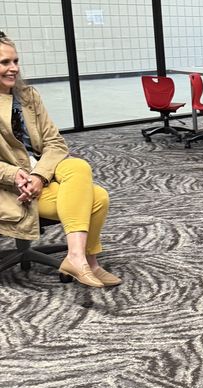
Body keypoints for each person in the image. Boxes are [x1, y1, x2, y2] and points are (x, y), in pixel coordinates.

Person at [0, 31, 118, 288]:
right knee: (97, 198)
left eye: (16, 61)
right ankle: (87, 261)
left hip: (40, 174)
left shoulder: (28, 97)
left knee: (77, 165)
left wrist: (40, 175)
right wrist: (15, 176)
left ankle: (78, 258)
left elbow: (54, 142)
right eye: (5, 63)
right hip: (10, 188)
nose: (13, 69)